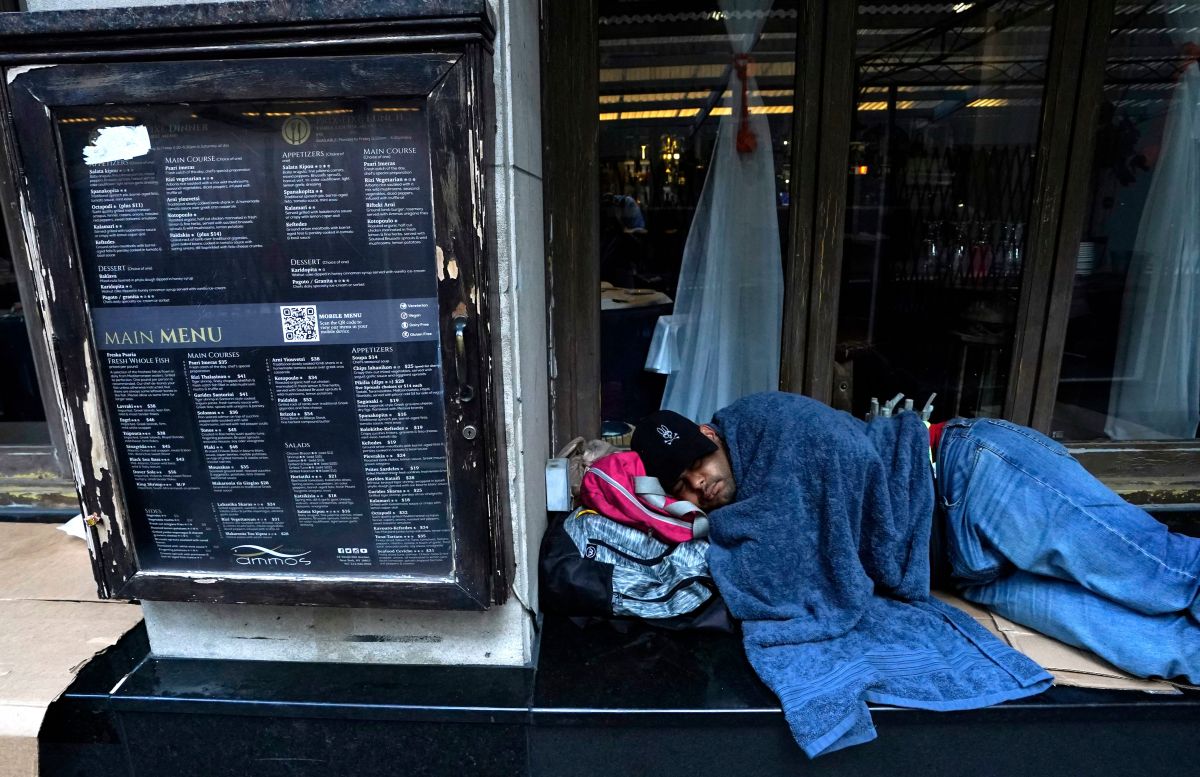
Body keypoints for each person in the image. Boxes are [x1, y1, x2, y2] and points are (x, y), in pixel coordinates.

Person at [632, 394, 1200, 683]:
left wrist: (725, 532)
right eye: (683, 485)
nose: (699, 485)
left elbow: (844, 456)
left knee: (1165, 573)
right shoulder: (751, 500)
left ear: (710, 434)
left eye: (698, 463)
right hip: (952, 567)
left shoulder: (763, 420)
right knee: (1150, 647)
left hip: (970, 475)